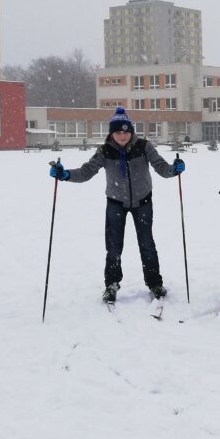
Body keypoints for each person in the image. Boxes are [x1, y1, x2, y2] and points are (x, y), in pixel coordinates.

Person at [48, 106, 184, 304]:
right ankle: (111, 285)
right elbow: (87, 172)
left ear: (131, 131)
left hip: (142, 202)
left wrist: (173, 170)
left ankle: (155, 283)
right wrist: (66, 174)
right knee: (113, 247)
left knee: (147, 244)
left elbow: (161, 167)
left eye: (126, 131)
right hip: (115, 203)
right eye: (118, 132)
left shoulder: (144, 147)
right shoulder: (105, 151)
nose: (122, 136)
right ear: (112, 133)